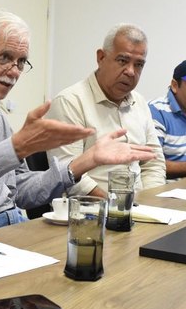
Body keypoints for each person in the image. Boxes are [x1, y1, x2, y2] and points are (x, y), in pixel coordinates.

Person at [0, 11, 156, 230]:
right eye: (6, 58)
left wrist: (82, 163)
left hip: (12, 227)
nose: (14, 71)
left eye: (21, 62)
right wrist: (14, 149)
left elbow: (20, 190)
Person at [45, 24, 166, 197]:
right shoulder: (70, 101)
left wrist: (148, 203)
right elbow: (69, 173)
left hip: (137, 210)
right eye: (123, 61)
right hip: (89, 211)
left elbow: (153, 163)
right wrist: (116, 208)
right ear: (101, 57)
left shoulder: (139, 103)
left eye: (139, 65)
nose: (131, 72)